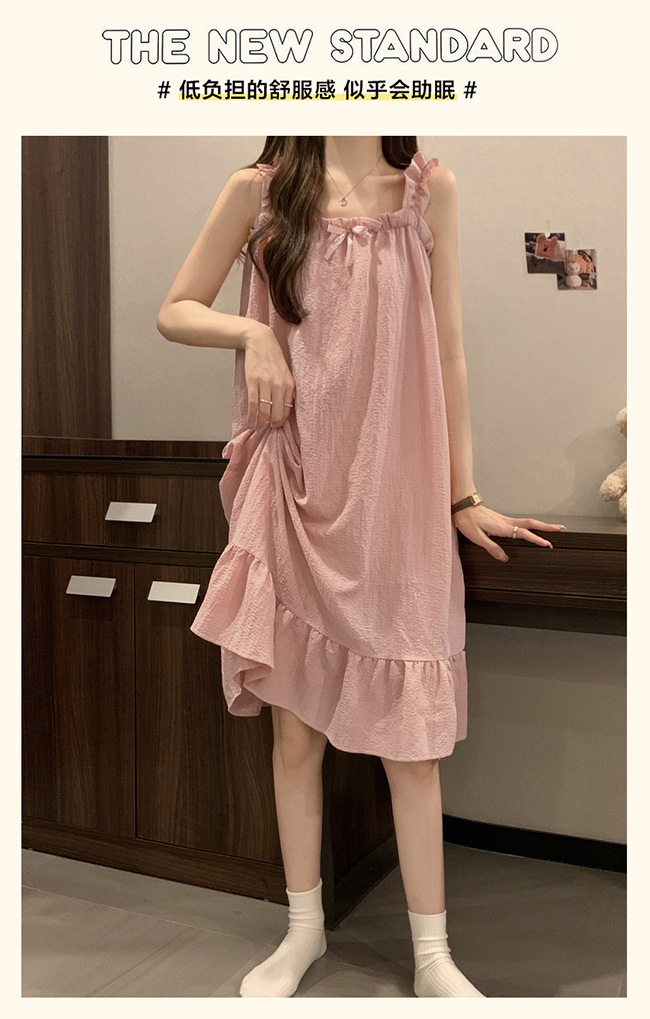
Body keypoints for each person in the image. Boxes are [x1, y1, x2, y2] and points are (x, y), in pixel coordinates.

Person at [157, 136, 564, 998]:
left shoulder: (429, 190)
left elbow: (448, 352)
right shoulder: (259, 192)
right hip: (294, 480)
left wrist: (461, 494)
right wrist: (251, 332)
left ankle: (432, 955)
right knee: (294, 734)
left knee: (411, 745)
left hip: (397, 494)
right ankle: (302, 930)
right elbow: (176, 309)